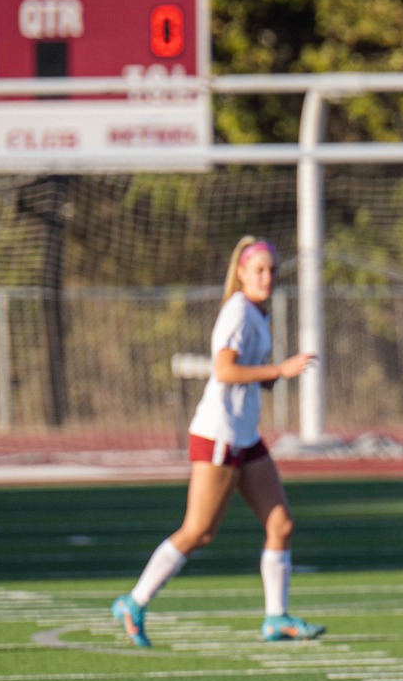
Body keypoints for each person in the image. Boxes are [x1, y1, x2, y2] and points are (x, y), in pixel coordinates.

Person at [112, 237, 326, 647]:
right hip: (219, 435)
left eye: (272, 270)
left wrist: (267, 376)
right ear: (242, 273)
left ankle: (276, 617)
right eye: (258, 270)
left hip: (244, 434)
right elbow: (224, 371)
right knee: (199, 532)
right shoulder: (239, 312)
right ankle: (134, 601)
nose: (267, 277)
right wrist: (277, 370)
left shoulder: (257, 314)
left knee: (281, 523)